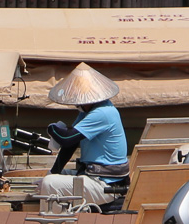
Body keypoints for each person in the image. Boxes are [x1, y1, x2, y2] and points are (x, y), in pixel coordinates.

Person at [45, 62, 128, 192]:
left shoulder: (102, 112)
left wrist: (51, 128)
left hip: (106, 183)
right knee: (50, 177)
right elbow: (71, 143)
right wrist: (54, 171)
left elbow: (66, 138)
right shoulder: (87, 112)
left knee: (48, 183)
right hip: (92, 174)